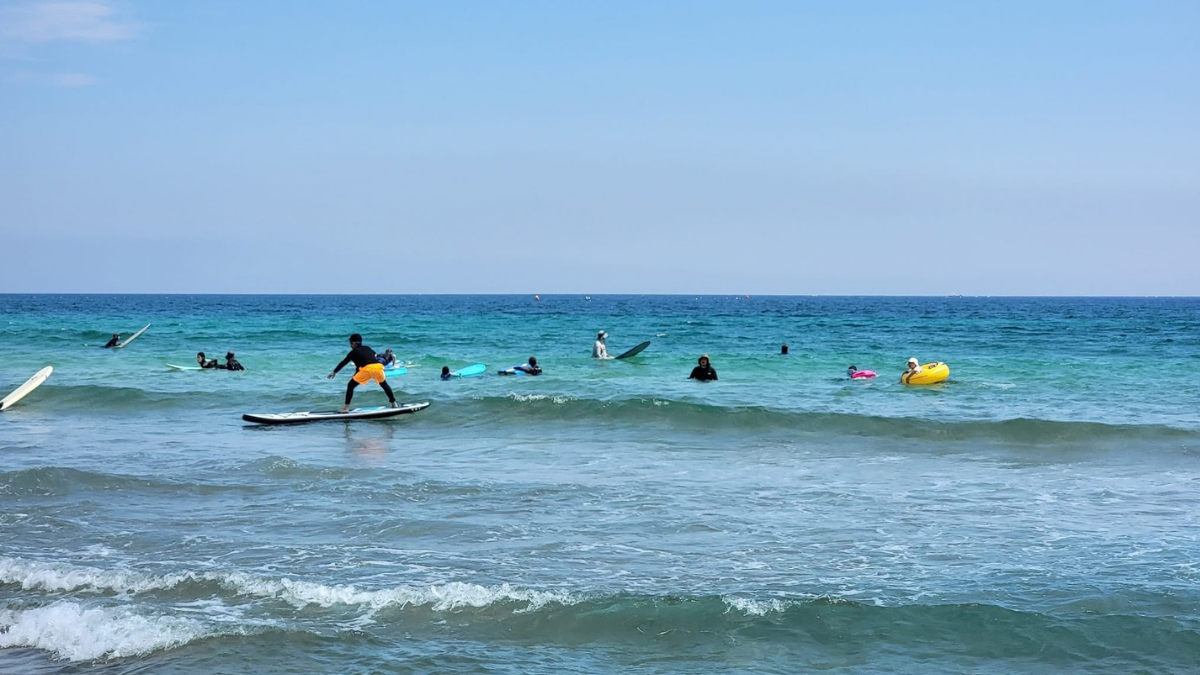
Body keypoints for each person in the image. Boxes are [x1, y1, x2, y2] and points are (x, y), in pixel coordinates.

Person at [327, 333, 399, 413]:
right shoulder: (367, 348)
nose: (350, 345)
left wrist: (334, 372)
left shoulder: (353, 352)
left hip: (367, 370)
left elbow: (343, 362)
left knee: (350, 386)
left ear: (354, 343)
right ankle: (394, 404)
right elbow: (374, 356)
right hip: (378, 367)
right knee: (384, 385)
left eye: (351, 343)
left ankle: (346, 408)